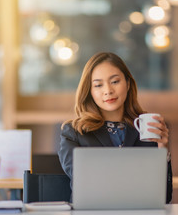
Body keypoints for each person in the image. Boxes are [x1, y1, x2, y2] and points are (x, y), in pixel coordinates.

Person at [58, 52, 172, 203]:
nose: (108, 91)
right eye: (98, 85)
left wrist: (162, 148)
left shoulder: (145, 128)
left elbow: (164, 196)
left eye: (115, 81)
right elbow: (86, 183)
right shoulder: (74, 132)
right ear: (90, 91)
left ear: (128, 84)